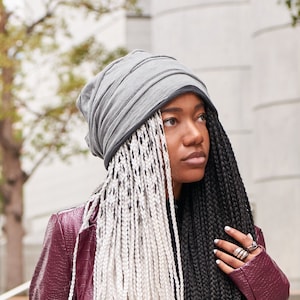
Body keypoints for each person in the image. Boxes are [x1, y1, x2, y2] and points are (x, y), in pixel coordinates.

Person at [29, 50, 289, 299]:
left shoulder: (233, 232)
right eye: (171, 121)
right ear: (130, 141)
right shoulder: (75, 232)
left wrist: (264, 279)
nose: (196, 135)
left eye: (200, 117)